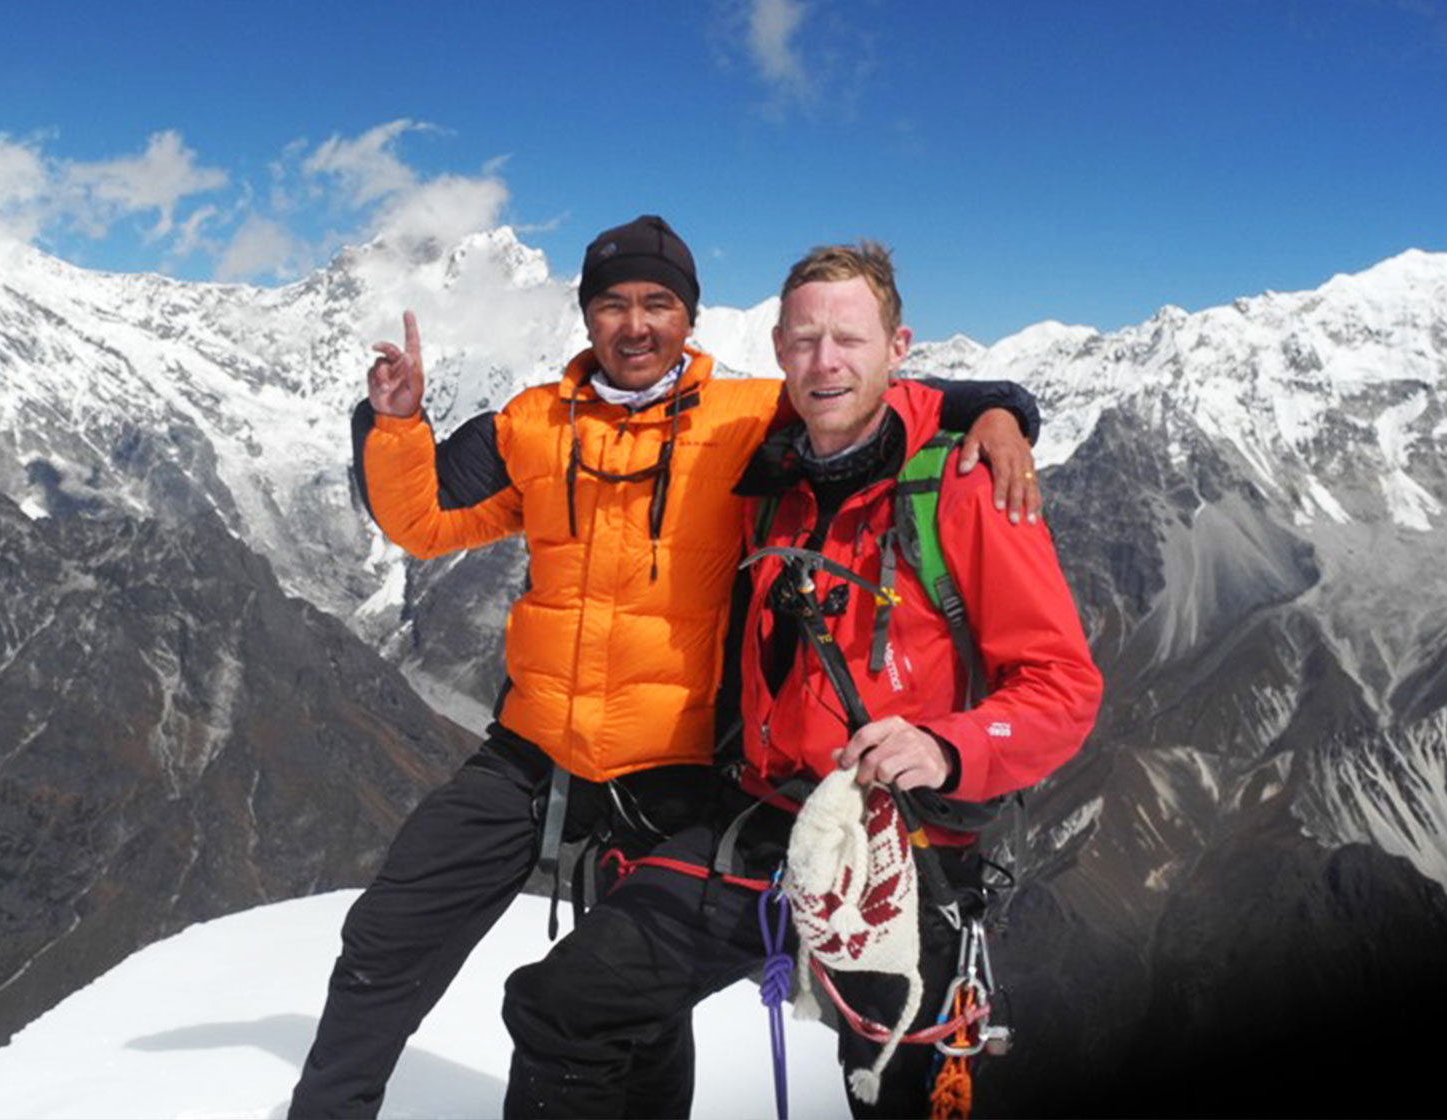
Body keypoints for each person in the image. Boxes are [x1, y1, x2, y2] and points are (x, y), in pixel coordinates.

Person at [289, 217, 1041, 1118]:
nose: (636, 324)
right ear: (586, 317)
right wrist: (398, 422)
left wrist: (998, 408)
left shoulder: (750, 416)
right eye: (613, 304)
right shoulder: (532, 423)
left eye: (658, 303)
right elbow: (422, 522)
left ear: (690, 317)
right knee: (387, 934)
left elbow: (866, 395)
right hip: (532, 746)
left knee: (626, 1009)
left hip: (677, 767)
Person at [500, 241, 1103, 1118]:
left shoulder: (963, 489)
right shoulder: (771, 470)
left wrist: (945, 745)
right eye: (806, 340)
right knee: (564, 1007)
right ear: (778, 349)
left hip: (901, 858)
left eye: (850, 340)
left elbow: (1061, 685)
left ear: (898, 350)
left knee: (896, 1093)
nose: (826, 362)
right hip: (761, 828)